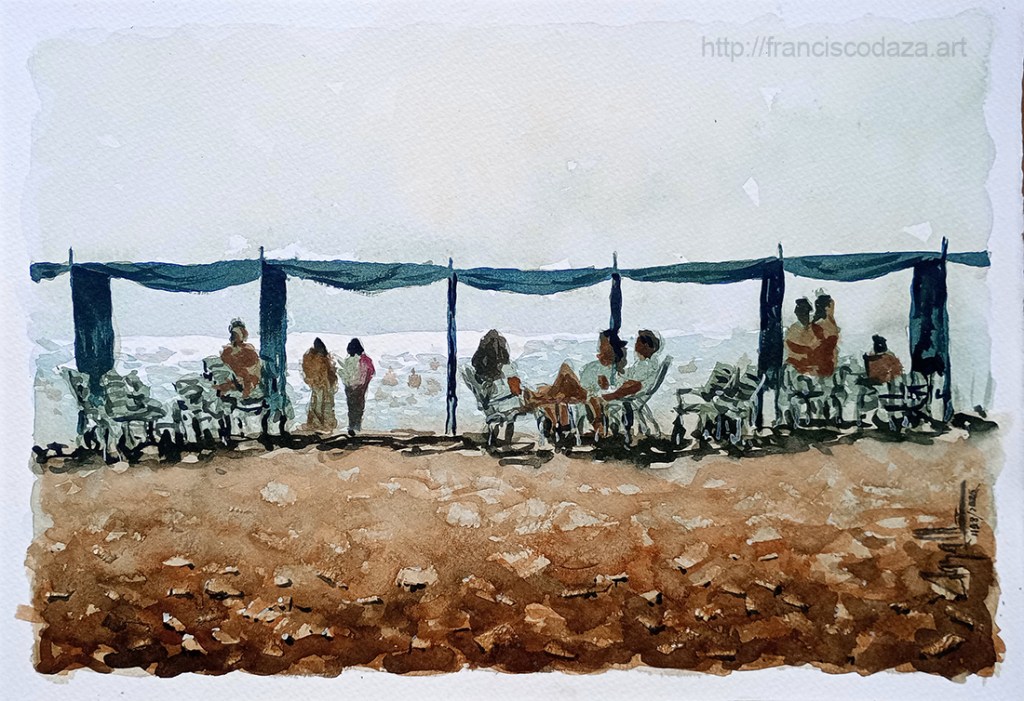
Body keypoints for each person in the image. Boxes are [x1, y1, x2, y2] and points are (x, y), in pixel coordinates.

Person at [524, 329, 627, 435]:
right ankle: (539, 399)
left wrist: (604, 385)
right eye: (600, 348)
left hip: (586, 393)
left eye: (603, 348)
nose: (599, 351)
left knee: (565, 371)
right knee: (558, 386)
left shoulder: (612, 369)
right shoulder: (599, 365)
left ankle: (537, 399)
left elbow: (606, 389)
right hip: (582, 391)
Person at [470, 330, 524, 412]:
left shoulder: (483, 351)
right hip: (502, 388)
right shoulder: (505, 360)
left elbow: (475, 363)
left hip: (490, 382)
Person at [602, 329, 663, 402]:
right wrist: (621, 371)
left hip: (632, 395)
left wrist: (612, 395)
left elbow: (635, 382)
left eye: (637, 344)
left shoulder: (646, 365)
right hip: (634, 393)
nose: (635, 347)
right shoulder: (650, 363)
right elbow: (633, 374)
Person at [339, 338, 375, 435]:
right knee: (359, 406)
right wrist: (364, 383)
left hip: (350, 387)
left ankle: (352, 425)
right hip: (360, 387)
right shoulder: (366, 360)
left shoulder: (349, 360)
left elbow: (345, 374)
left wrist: (346, 381)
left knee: (351, 406)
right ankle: (356, 426)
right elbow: (371, 372)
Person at [301, 337, 338, 432]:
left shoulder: (311, 358)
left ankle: (318, 424)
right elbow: (329, 372)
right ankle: (323, 424)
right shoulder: (321, 358)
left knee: (318, 404)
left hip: (319, 384)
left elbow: (309, 372)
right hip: (324, 384)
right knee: (324, 404)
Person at [218, 319, 261, 397]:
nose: (238, 335)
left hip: (249, 379)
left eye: (241, 332)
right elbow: (227, 366)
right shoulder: (228, 350)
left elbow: (256, 366)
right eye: (235, 334)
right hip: (236, 379)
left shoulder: (249, 349)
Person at [807, 293, 840, 377]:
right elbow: (816, 345)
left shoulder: (830, 322)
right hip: (821, 362)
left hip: (828, 361)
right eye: (832, 306)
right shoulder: (820, 324)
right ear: (826, 308)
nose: (833, 309)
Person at [784, 298, 817, 375]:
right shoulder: (794, 329)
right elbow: (790, 347)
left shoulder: (815, 327)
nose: (802, 316)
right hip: (796, 364)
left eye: (804, 313)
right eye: (800, 314)